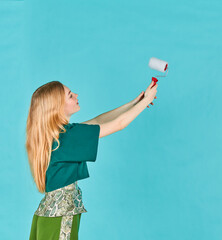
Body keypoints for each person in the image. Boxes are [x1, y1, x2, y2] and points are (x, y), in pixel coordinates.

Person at [26, 80, 158, 240]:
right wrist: (146, 102)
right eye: (70, 95)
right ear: (57, 108)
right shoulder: (67, 138)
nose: (76, 95)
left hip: (46, 217)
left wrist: (134, 103)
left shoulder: (58, 137)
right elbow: (120, 123)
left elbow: (98, 121)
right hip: (60, 218)